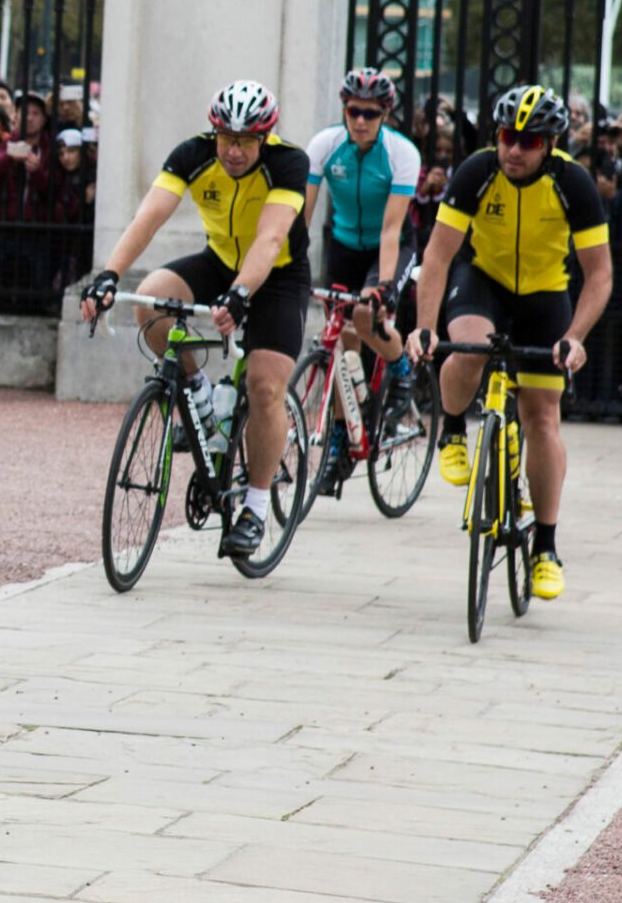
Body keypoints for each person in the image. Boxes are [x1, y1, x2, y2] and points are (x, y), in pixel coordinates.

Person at [82, 80, 310, 563]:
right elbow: (149, 216)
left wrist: (242, 293)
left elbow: (270, 240)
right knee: (150, 301)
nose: (233, 151)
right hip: (220, 261)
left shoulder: (287, 163)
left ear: (264, 137)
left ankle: (254, 507)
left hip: (278, 277)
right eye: (226, 138)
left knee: (265, 386)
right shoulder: (193, 154)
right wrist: (108, 274)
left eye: (246, 141)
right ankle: (200, 393)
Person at [407, 84, 613, 601]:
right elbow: (436, 256)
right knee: (469, 348)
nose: (514, 151)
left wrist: (574, 337)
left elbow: (600, 276)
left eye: (528, 142)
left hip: (545, 295)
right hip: (483, 280)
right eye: (506, 138)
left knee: (542, 415)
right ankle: (453, 429)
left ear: (550, 144)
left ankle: (545, 546)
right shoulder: (477, 171)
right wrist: (424, 326)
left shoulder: (574, 183)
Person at [303, 66, 419, 485]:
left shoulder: (402, 154)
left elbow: (391, 230)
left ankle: (401, 366)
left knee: (367, 318)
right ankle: (340, 436)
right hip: (344, 245)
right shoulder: (325, 145)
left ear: (385, 113)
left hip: (388, 246)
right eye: (354, 111)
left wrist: (384, 287)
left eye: (371, 113)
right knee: (339, 340)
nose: (361, 121)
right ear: (344, 108)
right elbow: (304, 216)